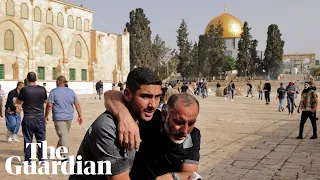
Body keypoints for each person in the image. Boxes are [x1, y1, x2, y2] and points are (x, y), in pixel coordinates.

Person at [69, 67, 163, 180]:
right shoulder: (108, 128)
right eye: (145, 96)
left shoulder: (149, 116)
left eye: (157, 97)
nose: (152, 104)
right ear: (127, 95)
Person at [104, 91, 201, 180]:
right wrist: (125, 117)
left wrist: (172, 177)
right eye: (179, 122)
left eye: (191, 123)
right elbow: (110, 95)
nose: (185, 131)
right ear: (164, 115)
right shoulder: (149, 120)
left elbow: (190, 172)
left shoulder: (193, 135)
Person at [45, 76, 83, 159]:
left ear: (58, 81)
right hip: (69, 117)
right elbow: (77, 104)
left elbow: (49, 105)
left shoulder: (53, 92)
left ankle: (64, 155)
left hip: (58, 117)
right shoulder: (71, 92)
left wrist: (46, 115)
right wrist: (80, 115)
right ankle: (59, 150)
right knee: (63, 135)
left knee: (63, 135)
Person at [15, 72, 48, 165]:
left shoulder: (25, 90)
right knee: (41, 139)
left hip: (28, 117)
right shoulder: (42, 89)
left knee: (28, 139)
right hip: (40, 117)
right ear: (36, 78)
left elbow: (18, 101)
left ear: (27, 79)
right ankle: (42, 160)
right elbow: (46, 101)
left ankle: (28, 160)